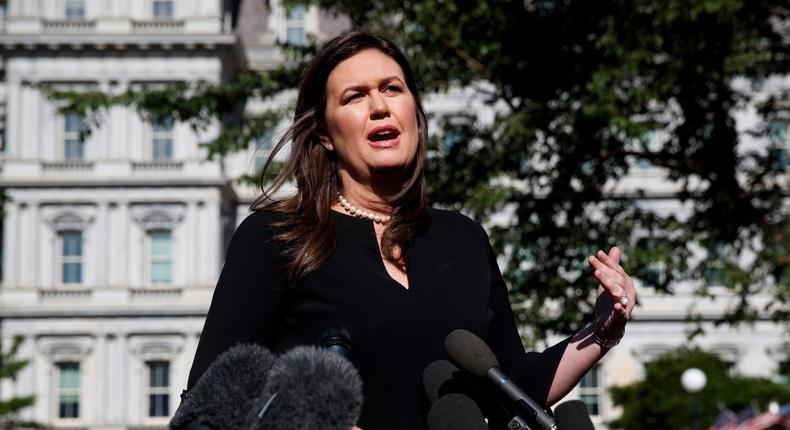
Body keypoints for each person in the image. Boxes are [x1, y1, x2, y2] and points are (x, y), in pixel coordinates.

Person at [184, 31, 636, 429]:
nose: (379, 106)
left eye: (392, 89)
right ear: (324, 132)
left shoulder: (464, 238)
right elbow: (214, 395)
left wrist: (602, 328)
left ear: (414, 114)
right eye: (355, 97)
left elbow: (509, 390)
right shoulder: (275, 234)